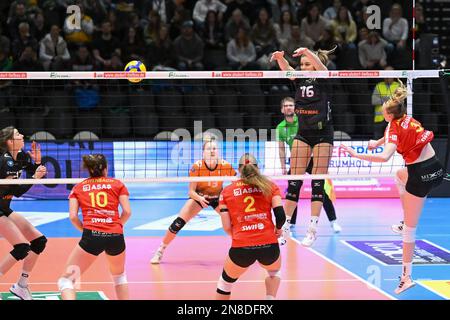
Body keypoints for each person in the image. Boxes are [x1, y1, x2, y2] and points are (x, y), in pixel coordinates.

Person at [341, 81, 444, 294]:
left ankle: (406, 277)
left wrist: (357, 154)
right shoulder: (407, 119)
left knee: (409, 232)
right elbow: (391, 136)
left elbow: (385, 156)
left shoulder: (392, 126)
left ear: (388, 115)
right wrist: (376, 143)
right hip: (437, 169)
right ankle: (404, 219)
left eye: (383, 110)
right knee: (399, 175)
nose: (382, 111)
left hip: (420, 176)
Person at [270, 46, 336, 247]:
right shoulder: (299, 79)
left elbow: (322, 68)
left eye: (307, 64)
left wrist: (308, 52)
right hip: (304, 134)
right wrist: (281, 58)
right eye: (302, 65)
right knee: (294, 182)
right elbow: (287, 69)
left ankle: (312, 229)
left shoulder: (323, 78)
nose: (304, 68)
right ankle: (285, 228)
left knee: (317, 183)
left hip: (323, 133)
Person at [151, 138, 236, 264]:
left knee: (234, 223)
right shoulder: (197, 167)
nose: (212, 151)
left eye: (214, 148)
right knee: (177, 223)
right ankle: (160, 250)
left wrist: (227, 197)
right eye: (208, 149)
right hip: (199, 197)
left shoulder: (225, 166)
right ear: (203, 153)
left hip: (218, 198)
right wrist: (200, 199)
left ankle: (241, 248)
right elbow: (191, 192)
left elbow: (236, 184)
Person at [58, 154, 131, 300]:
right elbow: (127, 212)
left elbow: (72, 216)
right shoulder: (118, 184)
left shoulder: (78, 188)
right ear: (105, 168)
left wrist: (87, 231)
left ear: (89, 170)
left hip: (92, 236)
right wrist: (114, 226)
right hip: (116, 237)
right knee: (119, 277)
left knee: (66, 280)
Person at [215, 153, 285, 300]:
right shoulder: (270, 186)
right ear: (257, 168)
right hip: (269, 246)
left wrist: (242, 235)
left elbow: (227, 227)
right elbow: (281, 216)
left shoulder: (226, 192)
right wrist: (278, 230)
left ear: (239, 169)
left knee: (225, 284)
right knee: (274, 273)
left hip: (241, 248)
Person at [276, 97, 341, 234]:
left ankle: (333, 221)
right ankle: (290, 223)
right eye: (286, 105)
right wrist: (283, 166)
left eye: (291, 105)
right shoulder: (281, 128)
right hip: (297, 159)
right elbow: (281, 148)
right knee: (293, 189)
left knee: (321, 190)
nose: (289, 107)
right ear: (282, 109)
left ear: (296, 108)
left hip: (314, 159)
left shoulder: (303, 121)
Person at [0, 127, 47, 300]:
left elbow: (31, 170)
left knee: (39, 241)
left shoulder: (20, 157)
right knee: (21, 247)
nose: (22, 136)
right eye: (18, 134)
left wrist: (36, 162)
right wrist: (35, 177)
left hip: (4, 207)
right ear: (10, 142)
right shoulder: (5, 162)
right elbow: (18, 191)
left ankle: (21, 285)